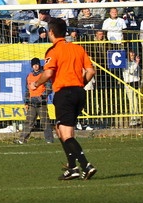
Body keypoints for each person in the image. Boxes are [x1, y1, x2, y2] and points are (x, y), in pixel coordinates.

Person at [30, 17, 97, 180]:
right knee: (61, 130)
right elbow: (91, 71)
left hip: (64, 94)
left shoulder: (53, 51)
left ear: (51, 32)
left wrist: (36, 83)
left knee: (66, 134)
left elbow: (49, 73)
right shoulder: (78, 49)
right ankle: (72, 167)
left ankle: (85, 165)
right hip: (79, 93)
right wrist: (80, 84)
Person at [15, 57, 53, 144]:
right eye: (34, 65)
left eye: (37, 64)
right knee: (29, 121)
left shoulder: (44, 75)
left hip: (41, 103)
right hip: (32, 103)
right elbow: (27, 90)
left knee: (45, 121)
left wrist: (42, 97)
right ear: (32, 66)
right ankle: (22, 139)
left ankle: (49, 140)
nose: (36, 66)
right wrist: (27, 102)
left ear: (39, 65)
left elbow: (49, 88)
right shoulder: (29, 76)